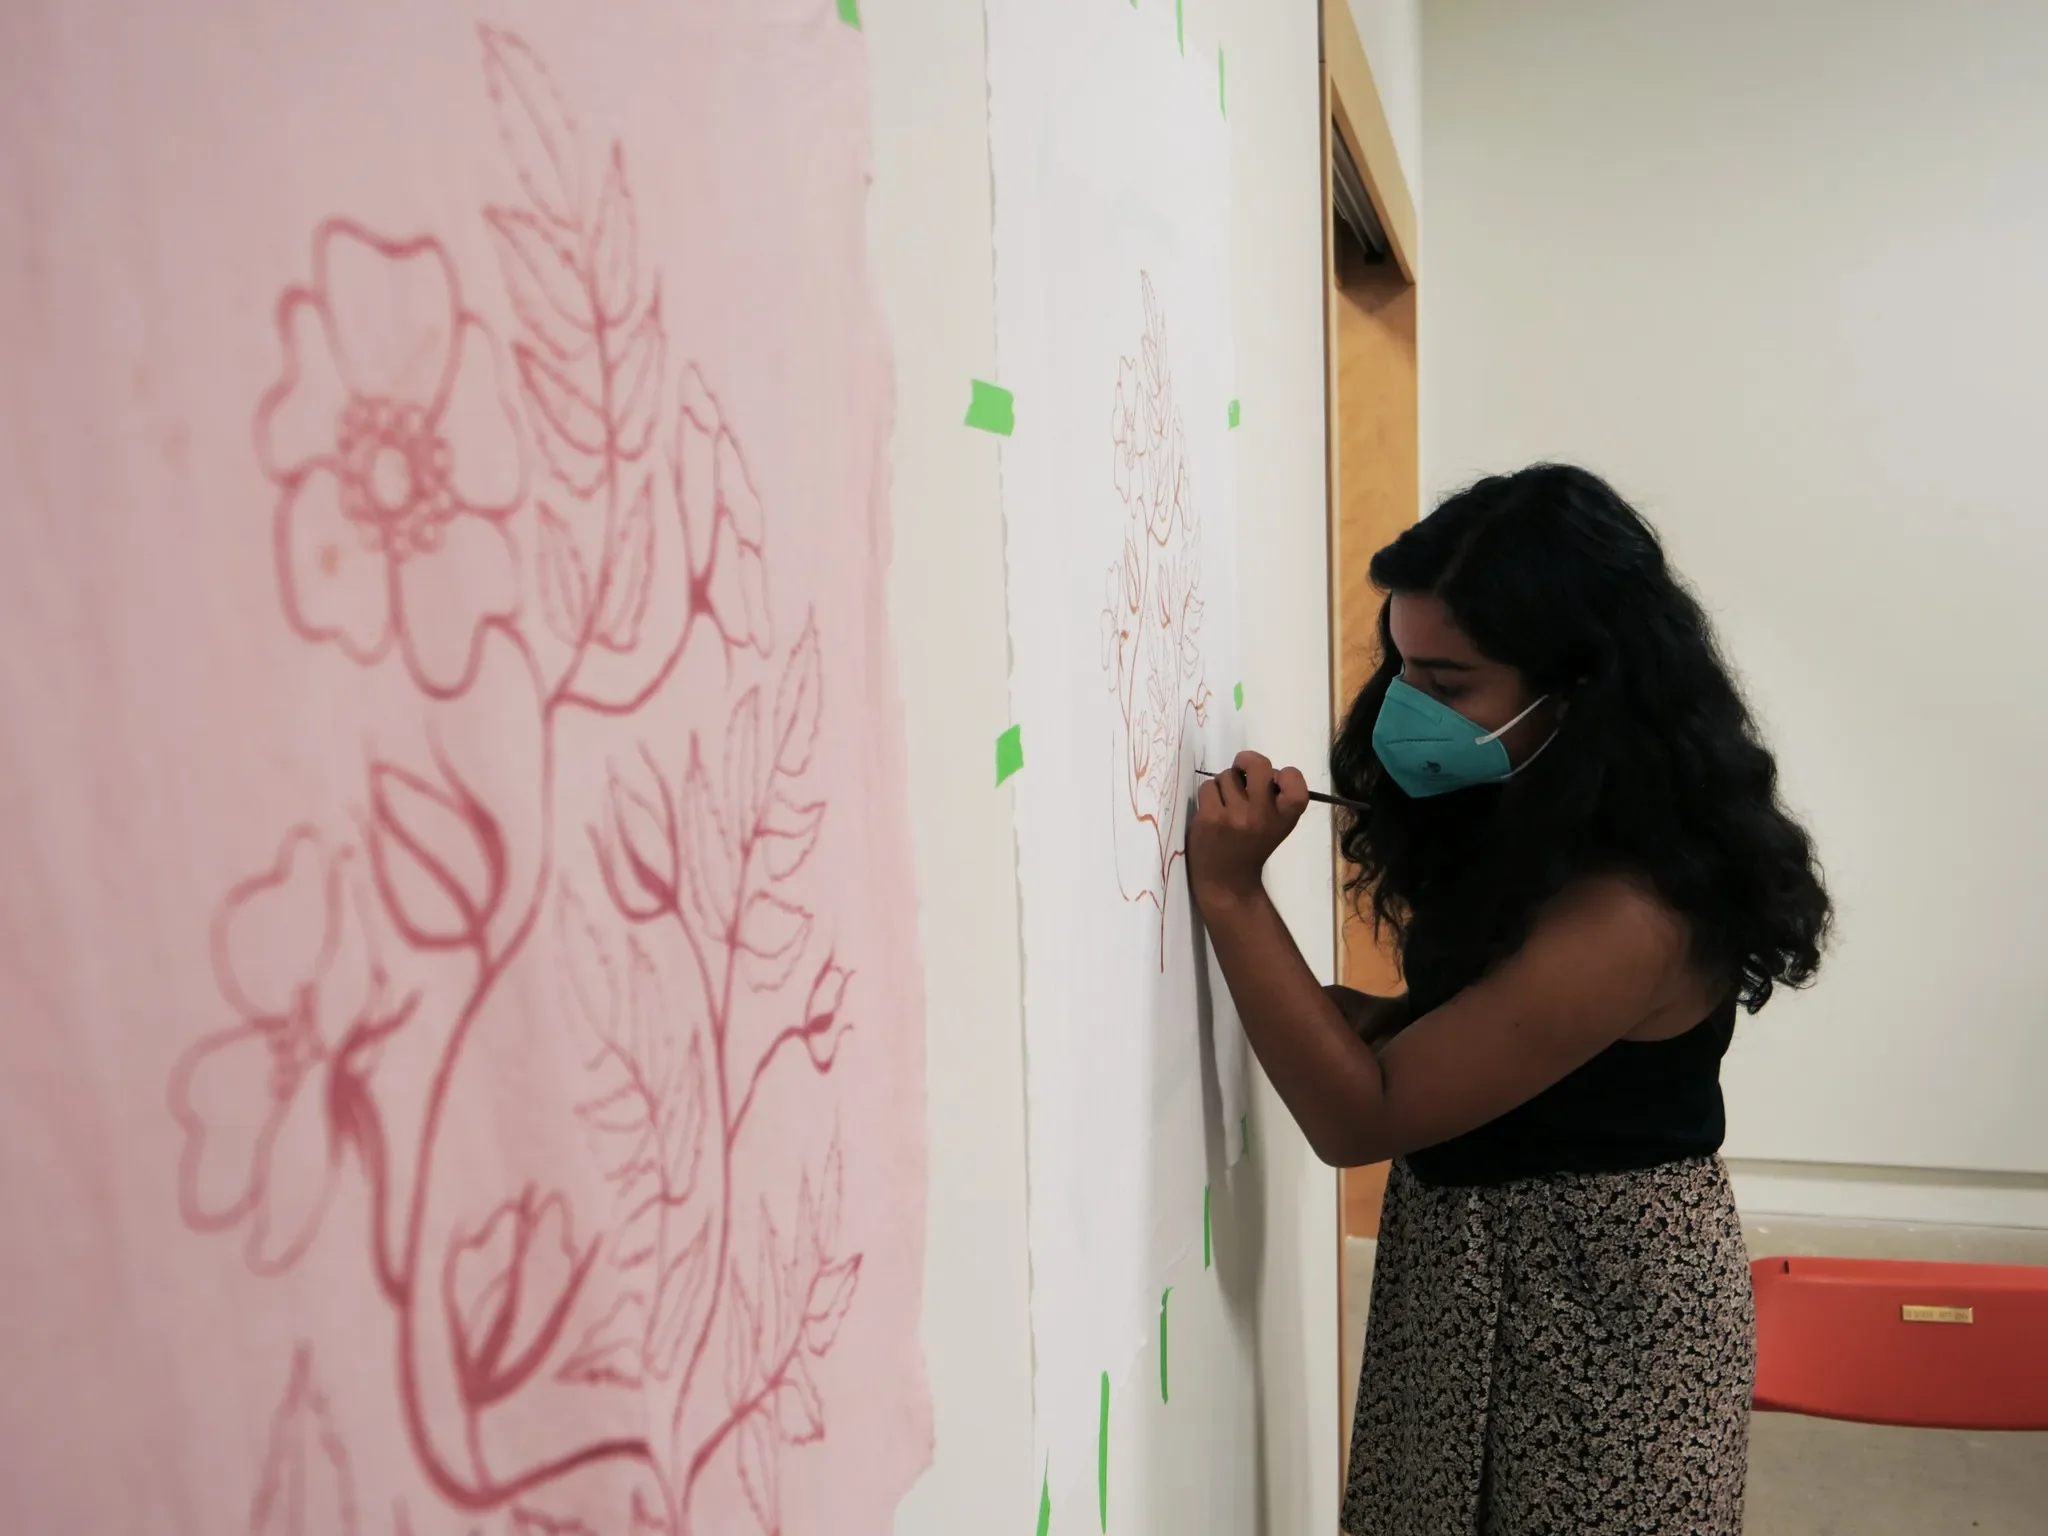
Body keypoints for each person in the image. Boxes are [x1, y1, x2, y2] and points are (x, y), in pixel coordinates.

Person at [1188, 464, 1830, 1536]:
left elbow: (1359, 1117)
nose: (1403, 707)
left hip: (1596, 1312)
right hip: (1479, 1264)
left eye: (1447, 683)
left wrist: (1228, 892)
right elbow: (1498, 1042)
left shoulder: (1630, 906)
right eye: (1400, 666)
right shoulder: (1542, 810)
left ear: (1579, 689)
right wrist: (1370, 1018)